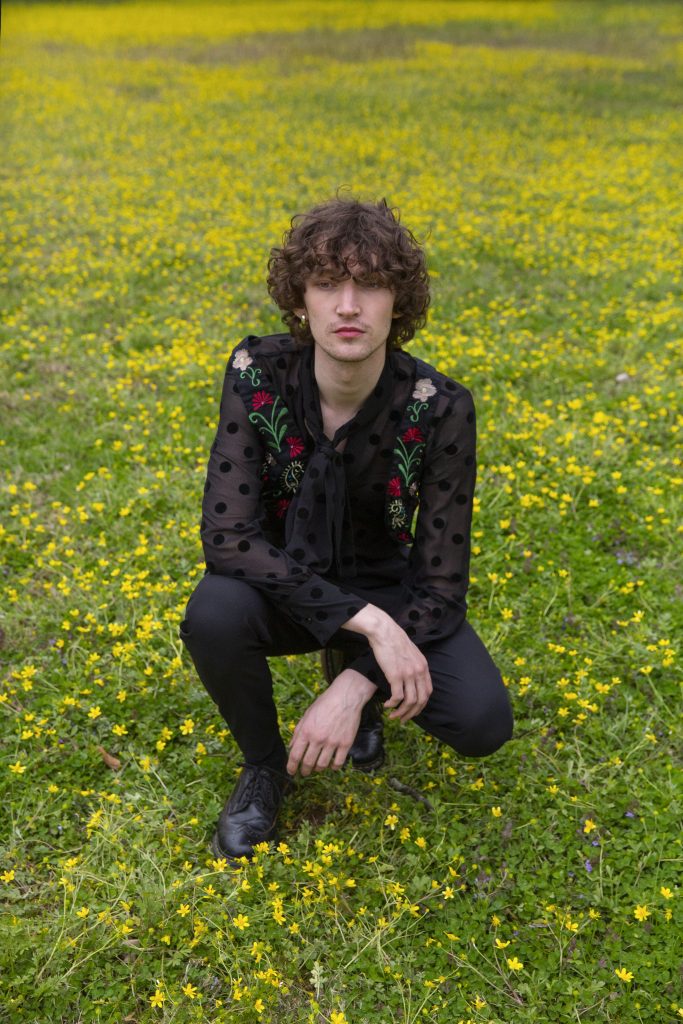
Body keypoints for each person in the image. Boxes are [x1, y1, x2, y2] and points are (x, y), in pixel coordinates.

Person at [180, 196, 513, 860]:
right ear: (300, 300)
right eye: (328, 283)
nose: (349, 305)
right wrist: (371, 627)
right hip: (285, 587)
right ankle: (264, 767)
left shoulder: (439, 407)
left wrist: (359, 677)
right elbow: (228, 537)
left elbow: (441, 584)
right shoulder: (258, 374)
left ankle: (353, 688)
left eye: (370, 284)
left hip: (390, 592)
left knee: (481, 720)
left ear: (400, 302)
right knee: (213, 612)